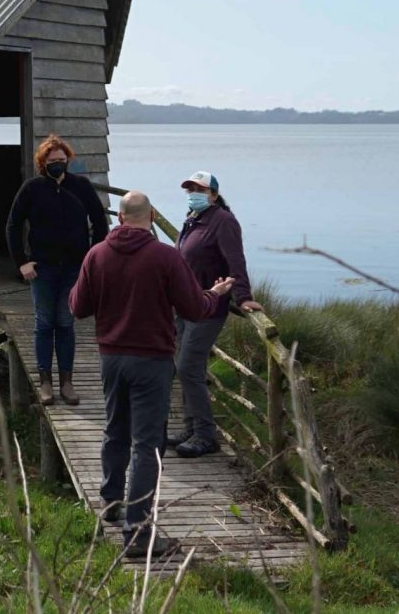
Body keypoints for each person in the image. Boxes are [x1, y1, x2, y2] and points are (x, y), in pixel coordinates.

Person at [70, 190, 234, 557]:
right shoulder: (166, 257)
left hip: (112, 358)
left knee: (115, 430)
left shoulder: (96, 255)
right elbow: (194, 309)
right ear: (151, 217)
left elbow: (78, 307)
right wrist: (215, 293)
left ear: (119, 218)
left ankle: (112, 504)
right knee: (147, 445)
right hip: (152, 362)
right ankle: (139, 534)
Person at [5, 134, 110, 405]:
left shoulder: (81, 186)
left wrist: (92, 259)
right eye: (52, 161)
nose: (58, 165)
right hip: (42, 268)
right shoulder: (32, 188)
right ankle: (45, 384)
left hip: (74, 268)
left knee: (65, 323)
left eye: (62, 161)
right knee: (43, 323)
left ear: (68, 161)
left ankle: (67, 382)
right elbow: (13, 226)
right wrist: (21, 262)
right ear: (43, 162)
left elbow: (100, 224)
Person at [169, 169, 262, 458]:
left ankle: (205, 436)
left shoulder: (223, 221)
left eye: (199, 189)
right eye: (189, 189)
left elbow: (236, 262)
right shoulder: (193, 219)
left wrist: (243, 297)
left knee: (188, 368)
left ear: (213, 194)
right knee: (184, 367)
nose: (193, 193)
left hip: (208, 309)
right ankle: (190, 427)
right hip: (186, 306)